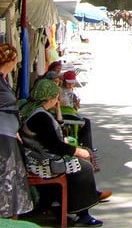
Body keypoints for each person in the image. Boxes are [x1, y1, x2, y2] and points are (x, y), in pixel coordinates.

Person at [21, 78, 110, 227]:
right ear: (49, 97)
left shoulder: (32, 109)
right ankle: (82, 214)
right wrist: (78, 151)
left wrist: (57, 110)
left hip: (36, 157)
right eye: (55, 97)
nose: (57, 99)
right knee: (83, 167)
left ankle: (58, 204)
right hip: (42, 162)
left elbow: (55, 134)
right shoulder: (40, 117)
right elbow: (54, 145)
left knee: (81, 161)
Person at [0, 43, 34, 219]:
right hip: (2, 136)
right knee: (7, 181)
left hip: (8, 133)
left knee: (11, 181)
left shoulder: (3, 79)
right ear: (10, 61)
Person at [60, 69, 95, 149]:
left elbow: (75, 106)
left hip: (71, 112)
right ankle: (86, 147)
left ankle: (85, 146)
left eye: (72, 83)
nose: (71, 84)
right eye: (69, 82)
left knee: (85, 122)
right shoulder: (60, 90)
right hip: (65, 113)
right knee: (84, 122)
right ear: (64, 81)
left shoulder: (71, 90)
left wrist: (76, 104)